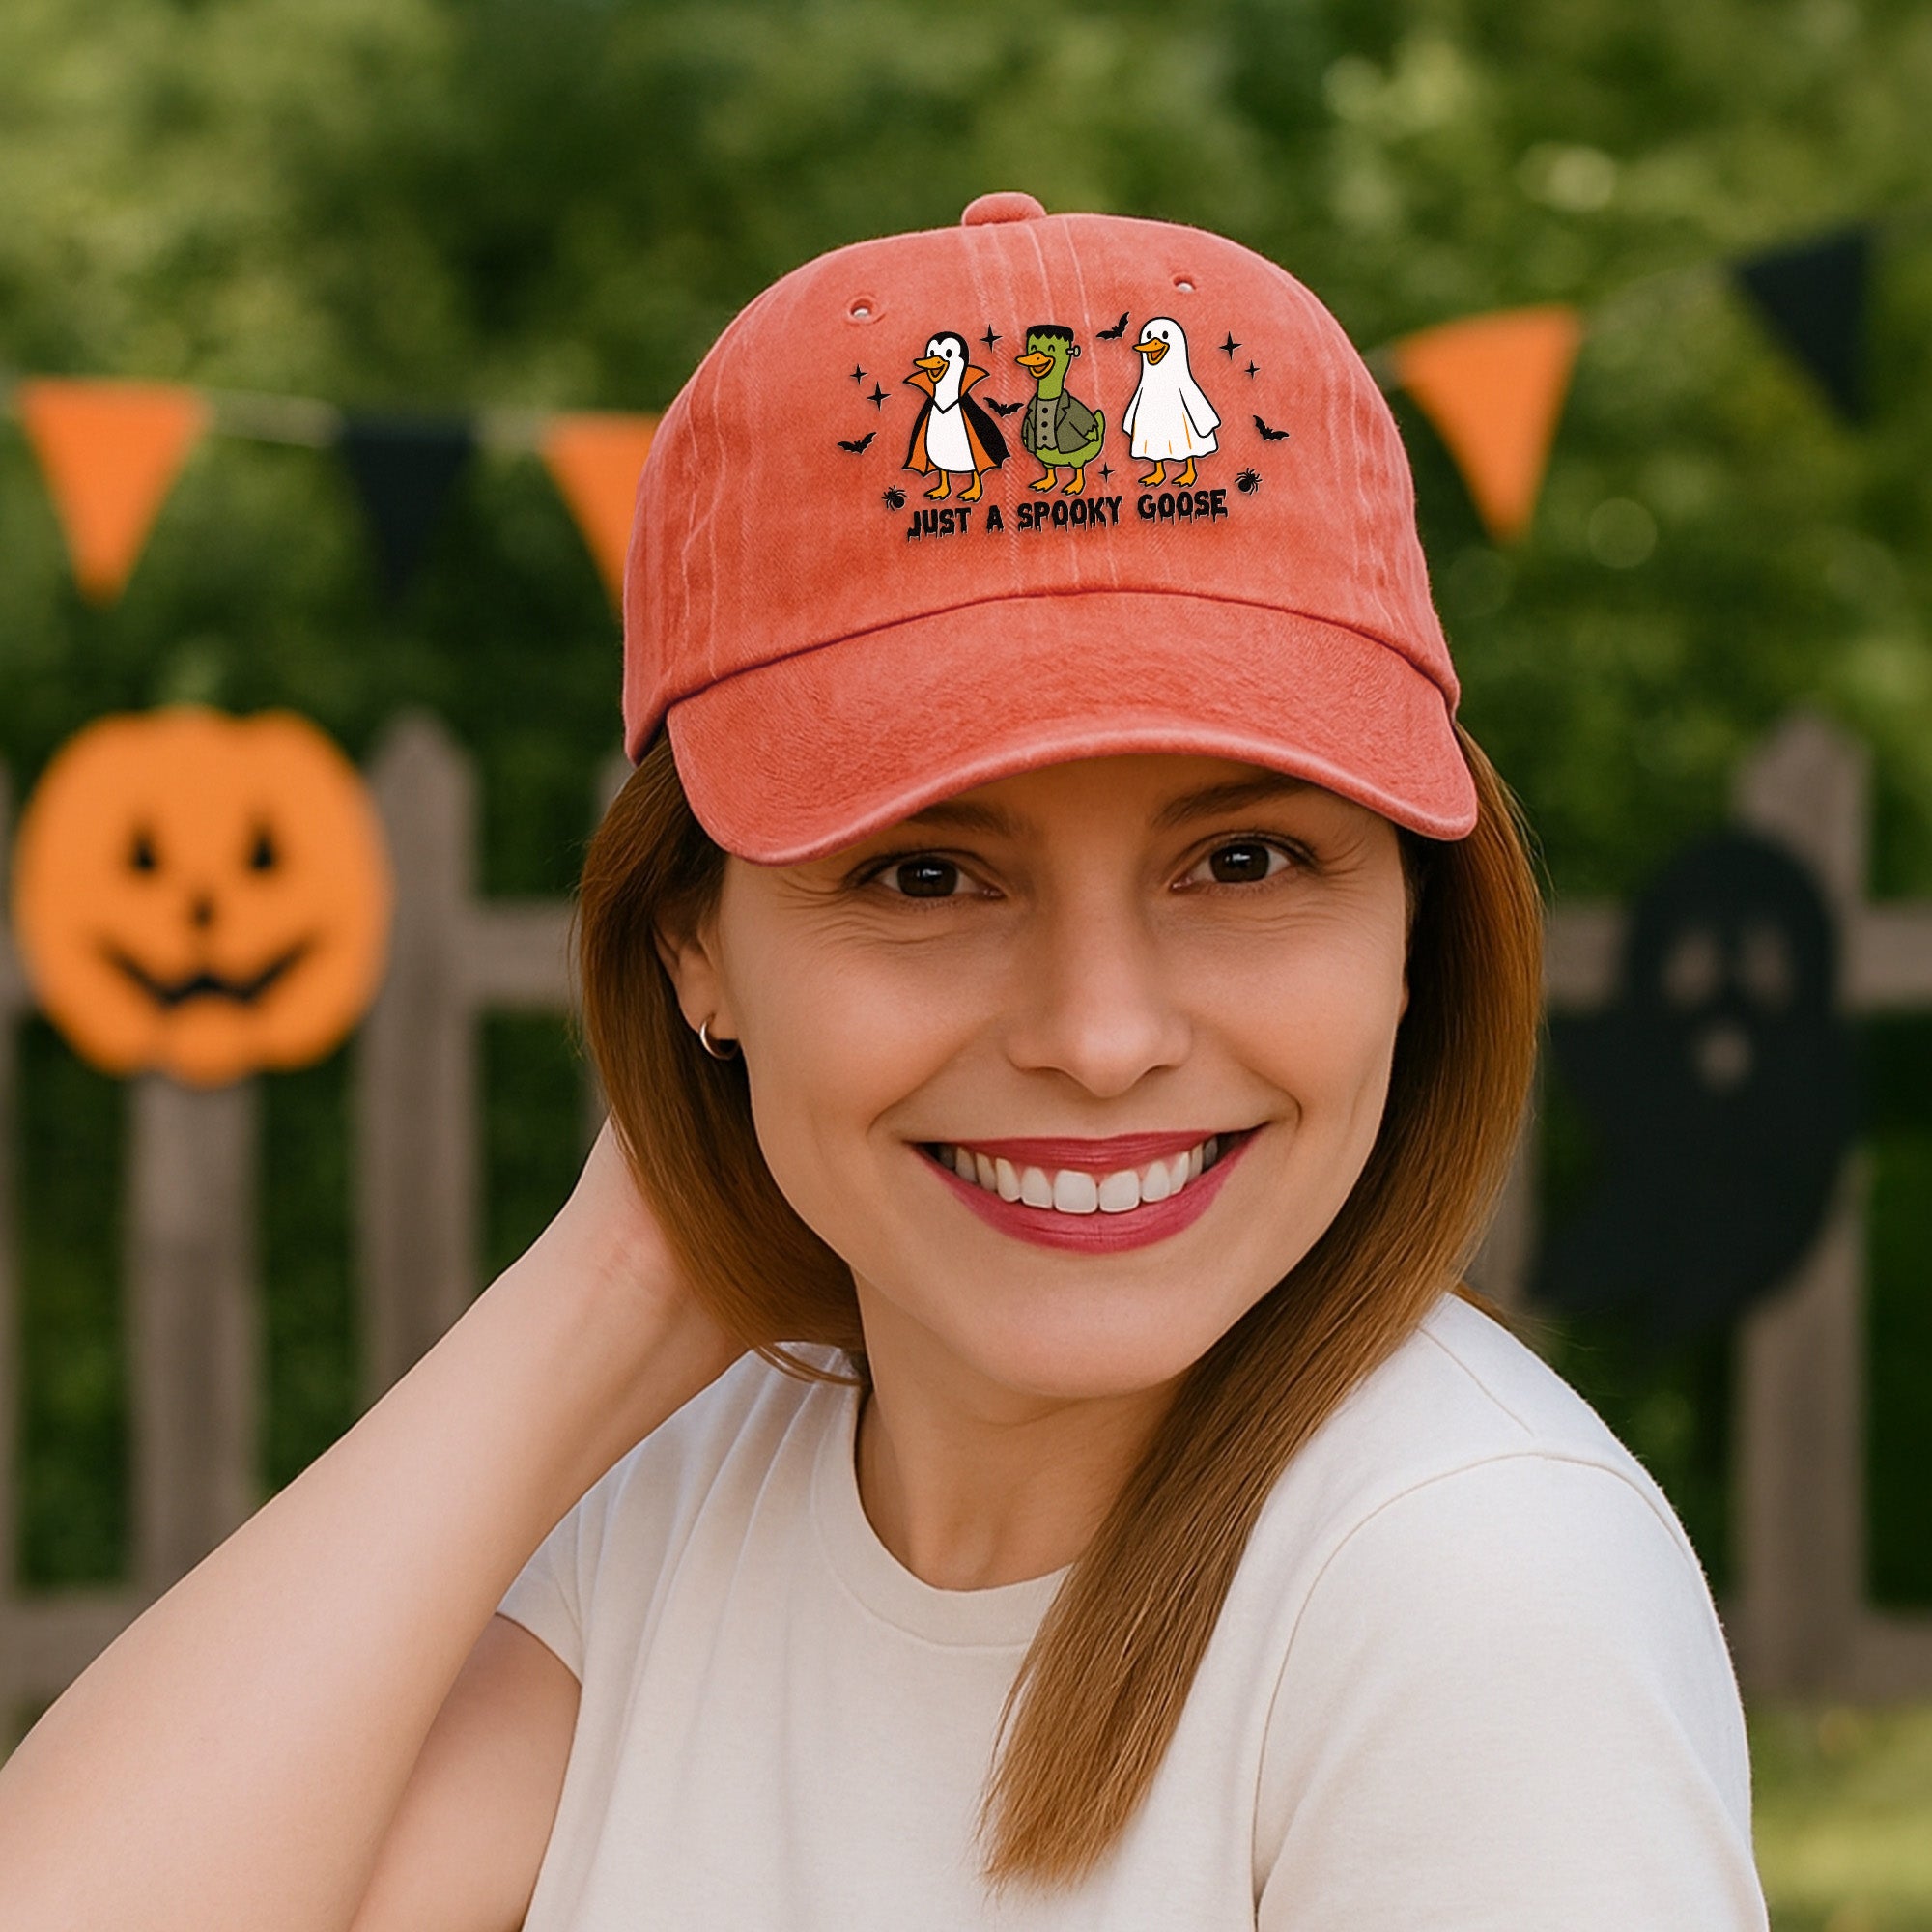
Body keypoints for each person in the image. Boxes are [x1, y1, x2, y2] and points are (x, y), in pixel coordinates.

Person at [0, 192, 1769, 1930]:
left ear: (1417, 929)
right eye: (926, 874)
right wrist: (613, 1283)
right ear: (695, 944)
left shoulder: (1467, 1593)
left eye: (1244, 862)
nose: (1099, 1036)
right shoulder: (686, 1497)